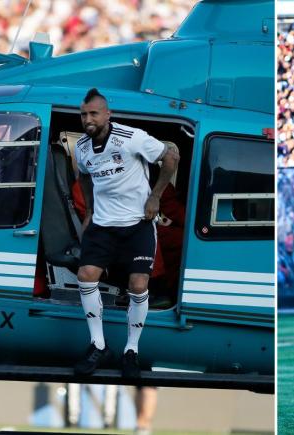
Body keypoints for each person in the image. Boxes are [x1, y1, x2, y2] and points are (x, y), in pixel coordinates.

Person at [73, 88, 180, 378]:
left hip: (137, 224)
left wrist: (155, 196)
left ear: (108, 114)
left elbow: (170, 157)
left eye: (93, 113)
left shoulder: (132, 137)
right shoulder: (81, 148)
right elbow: (83, 175)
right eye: (83, 114)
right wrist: (89, 212)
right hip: (103, 225)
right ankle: (98, 343)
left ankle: (131, 349)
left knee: (138, 284)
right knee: (86, 276)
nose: (88, 119)